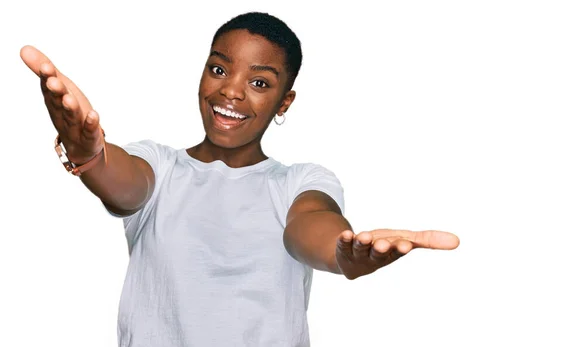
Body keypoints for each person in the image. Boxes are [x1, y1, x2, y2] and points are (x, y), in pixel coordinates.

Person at [21, 12, 459, 347]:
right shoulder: (159, 164)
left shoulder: (300, 180)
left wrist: (343, 255)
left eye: (259, 82)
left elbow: (310, 226)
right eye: (219, 70)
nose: (231, 90)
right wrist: (90, 155)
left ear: (284, 103)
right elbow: (124, 186)